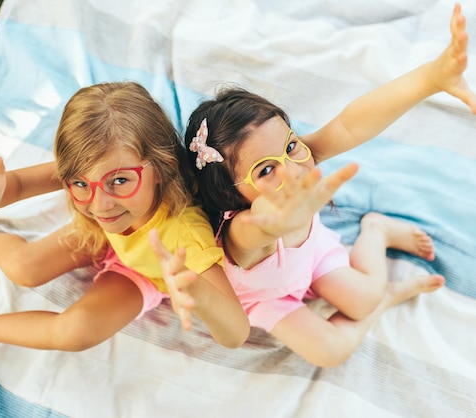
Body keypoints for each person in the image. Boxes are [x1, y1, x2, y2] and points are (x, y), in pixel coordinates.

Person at [174, 3, 475, 368]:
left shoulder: (301, 159)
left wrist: (431, 78)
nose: (292, 170)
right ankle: (387, 297)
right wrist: (278, 222)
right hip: (267, 295)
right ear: (230, 193)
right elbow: (262, 226)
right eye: (266, 170)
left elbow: (352, 123)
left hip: (311, 255)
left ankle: (374, 229)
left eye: (289, 145)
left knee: (362, 298)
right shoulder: (238, 228)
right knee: (330, 352)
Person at [0, 81, 252, 363]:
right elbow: (19, 184)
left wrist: (197, 290)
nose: (99, 203)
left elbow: (236, 333)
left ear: (160, 167)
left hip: (153, 268)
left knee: (75, 332)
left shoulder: (186, 234)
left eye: (119, 181)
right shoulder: (100, 186)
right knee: (24, 267)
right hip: (105, 237)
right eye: (80, 184)